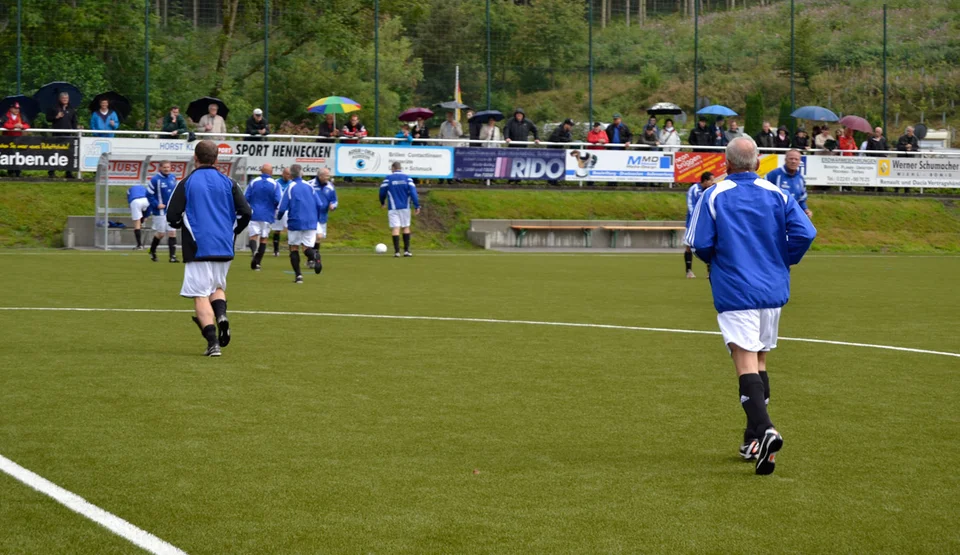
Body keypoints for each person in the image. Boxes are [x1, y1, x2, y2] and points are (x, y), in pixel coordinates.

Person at [684, 136, 817, 475]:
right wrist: (783, 259)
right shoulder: (778, 193)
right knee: (759, 360)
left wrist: (717, 260)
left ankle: (767, 429)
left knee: (744, 361)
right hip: (772, 289)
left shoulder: (713, 194)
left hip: (736, 288)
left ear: (725, 164)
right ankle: (752, 439)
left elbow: (698, 242)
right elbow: (806, 233)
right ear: (758, 163)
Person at [165, 140, 252, 357]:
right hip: (224, 244)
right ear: (217, 159)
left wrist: (180, 224)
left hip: (198, 245)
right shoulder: (229, 182)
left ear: (195, 158)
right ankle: (221, 316)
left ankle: (213, 343)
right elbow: (246, 212)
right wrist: (234, 230)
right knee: (217, 287)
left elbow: (172, 215)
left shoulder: (187, 182)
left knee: (200, 294)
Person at [276, 164, 327, 283]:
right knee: (306, 248)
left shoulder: (290, 187)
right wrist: (315, 218)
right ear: (302, 173)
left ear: (291, 175)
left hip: (296, 221)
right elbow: (319, 204)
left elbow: (282, 208)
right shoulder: (309, 186)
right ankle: (314, 255)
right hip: (311, 221)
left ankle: (298, 276)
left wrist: (278, 218)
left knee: (294, 248)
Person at [244, 164, 281, 271]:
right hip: (267, 214)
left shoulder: (253, 182)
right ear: (271, 172)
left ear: (261, 171)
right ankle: (258, 263)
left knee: (253, 236)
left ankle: (254, 252)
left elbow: (246, 197)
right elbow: (278, 200)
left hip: (254, 213)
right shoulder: (275, 184)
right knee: (264, 238)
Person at [379, 161, 420, 257]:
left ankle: (397, 252)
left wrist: (382, 202)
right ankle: (406, 251)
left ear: (393, 168)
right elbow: (413, 192)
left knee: (395, 228)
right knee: (406, 227)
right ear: (400, 168)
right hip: (405, 207)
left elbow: (382, 192)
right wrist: (416, 205)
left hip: (393, 208)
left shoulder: (388, 178)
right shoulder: (407, 178)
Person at [146, 161, 180, 262]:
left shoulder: (173, 178)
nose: (166, 169)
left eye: (168, 167)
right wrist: (157, 204)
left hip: (171, 210)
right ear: (160, 168)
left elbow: (176, 192)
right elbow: (149, 194)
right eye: (164, 167)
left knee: (172, 232)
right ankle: (152, 251)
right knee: (161, 233)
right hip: (160, 211)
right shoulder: (155, 180)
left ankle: (172, 257)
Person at [765, 149, 813, 219]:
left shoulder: (800, 179)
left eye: (796, 159)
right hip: (775, 216)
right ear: (785, 160)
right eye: (791, 159)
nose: (793, 161)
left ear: (799, 162)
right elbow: (763, 193)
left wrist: (806, 210)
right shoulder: (774, 175)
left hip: (793, 217)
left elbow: (801, 200)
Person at [684, 171, 713, 279]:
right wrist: (697, 219)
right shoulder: (694, 189)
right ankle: (689, 271)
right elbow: (690, 206)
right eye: (711, 180)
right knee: (688, 246)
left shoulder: (710, 190)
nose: (712, 182)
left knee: (710, 245)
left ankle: (710, 272)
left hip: (706, 223)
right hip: (692, 223)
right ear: (705, 181)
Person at [308, 168, 338, 269]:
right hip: (311, 215)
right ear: (320, 176)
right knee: (314, 237)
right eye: (326, 176)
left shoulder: (330, 186)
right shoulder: (310, 184)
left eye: (328, 175)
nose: (328, 178)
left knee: (318, 238)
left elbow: (334, 200)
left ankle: (313, 258)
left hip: (322, 216)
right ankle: (312, 259)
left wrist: (333, 205)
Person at [503, 108, 540, 184]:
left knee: (521, 162)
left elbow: (535, 130)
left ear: (523, 115)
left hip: (523, 146)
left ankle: (518, 179)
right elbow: (506, 129)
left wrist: (537, 138)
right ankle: (510, 179)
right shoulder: (510, 121)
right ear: (515, 115)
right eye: (517, 114)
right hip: (512, 146)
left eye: (520, 114)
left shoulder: (528, 122)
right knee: (511, 162)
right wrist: (507, 137)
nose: (519, 116)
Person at [47, 92, 78, 178]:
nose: (65, 100)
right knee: (55, 153)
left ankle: (68, 172)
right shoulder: (54, 108)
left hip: (68, 134)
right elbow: (48, 118)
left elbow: (74, 122)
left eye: (66, 98)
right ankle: (51, 172)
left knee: (68, 153)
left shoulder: (71, 109)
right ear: (60, 99)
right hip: (57, 134)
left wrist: (76, 130)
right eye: (63, 98)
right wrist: (56, 117)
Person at [2, 102, 30, 177]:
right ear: (11, 109)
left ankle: (18, 172)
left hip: (18, 139)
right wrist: (14, 126)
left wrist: (22, 126)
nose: (17, 110)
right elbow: (4, 125)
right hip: (7, 139)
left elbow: (27, 125)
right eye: (15, 108)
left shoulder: (22, 116)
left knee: (18, 155)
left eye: (18, 108)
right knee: (9, 155)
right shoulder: (5, 116)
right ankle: (10, 171)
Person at [270, 167, 293, 256]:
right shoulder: (276, 182)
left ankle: (292, 250)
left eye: (290, 174)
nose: (289, 176)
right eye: (287, 174)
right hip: (278, 209)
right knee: (277, 230)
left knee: (290, 229)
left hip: (288, 210)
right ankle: (276, 250)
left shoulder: (292, 183)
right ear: (283, 174)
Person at [547, 119, 574, 185]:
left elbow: (569, 139)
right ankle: (551, 181)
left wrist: (563, 139)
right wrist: (564, 139)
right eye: (570, 125)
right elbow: (555, 138)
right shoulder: (558, 129)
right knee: (552, 165)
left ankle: (555, 181)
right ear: (566, 124)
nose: (571, 127)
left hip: (559, 150)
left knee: (557, 165)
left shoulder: (567, 132)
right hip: (552, 150)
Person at [439, 112, 464, 183]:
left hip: (453, 146)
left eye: (450, 116)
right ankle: (442, 179)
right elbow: (440, 134)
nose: (448, 118)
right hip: (445, 147)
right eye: (447, 116)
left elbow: (460, 133)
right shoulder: (443, 124)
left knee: (453, 163)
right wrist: (440, 143)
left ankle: (451, 179)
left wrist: (455, 126)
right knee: (444, 163)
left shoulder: (457, 123)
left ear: (452, 117)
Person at [127, 183, 151, 250]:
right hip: (146, 200)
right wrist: (145, 217)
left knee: (137, 225)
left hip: (135, 201)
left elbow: (129, 202)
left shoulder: (129, 189)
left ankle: (139, 245)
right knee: (144, 218)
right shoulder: (144, 188)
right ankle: (142, 222)